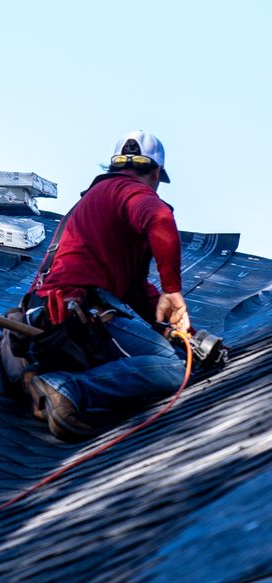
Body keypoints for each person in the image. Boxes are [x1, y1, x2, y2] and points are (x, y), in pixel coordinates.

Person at [24, 130, 190, 441]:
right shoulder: (131, 192)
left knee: (161, 352)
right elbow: (160, 220)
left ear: (114, 166)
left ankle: (47, 381)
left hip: (45, 317)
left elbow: (135, 290)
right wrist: (172, 289)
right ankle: (67, 387)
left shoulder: (95, 200)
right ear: (156, 173)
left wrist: (185, 333)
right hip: (78, 312)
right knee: (174, 367)